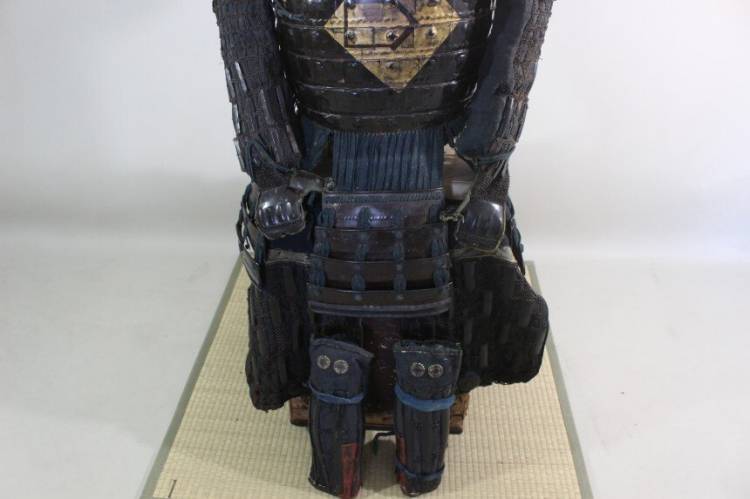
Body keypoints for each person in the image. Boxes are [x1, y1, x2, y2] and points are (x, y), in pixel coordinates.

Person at [213, 0, 555, 495]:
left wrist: (489, 170)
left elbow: (520, 29)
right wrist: (269, 168)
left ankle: (429, 409)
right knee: (293, 266)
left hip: (444, 144)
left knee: (470, 266)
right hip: (319, 145)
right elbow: (244, 31)